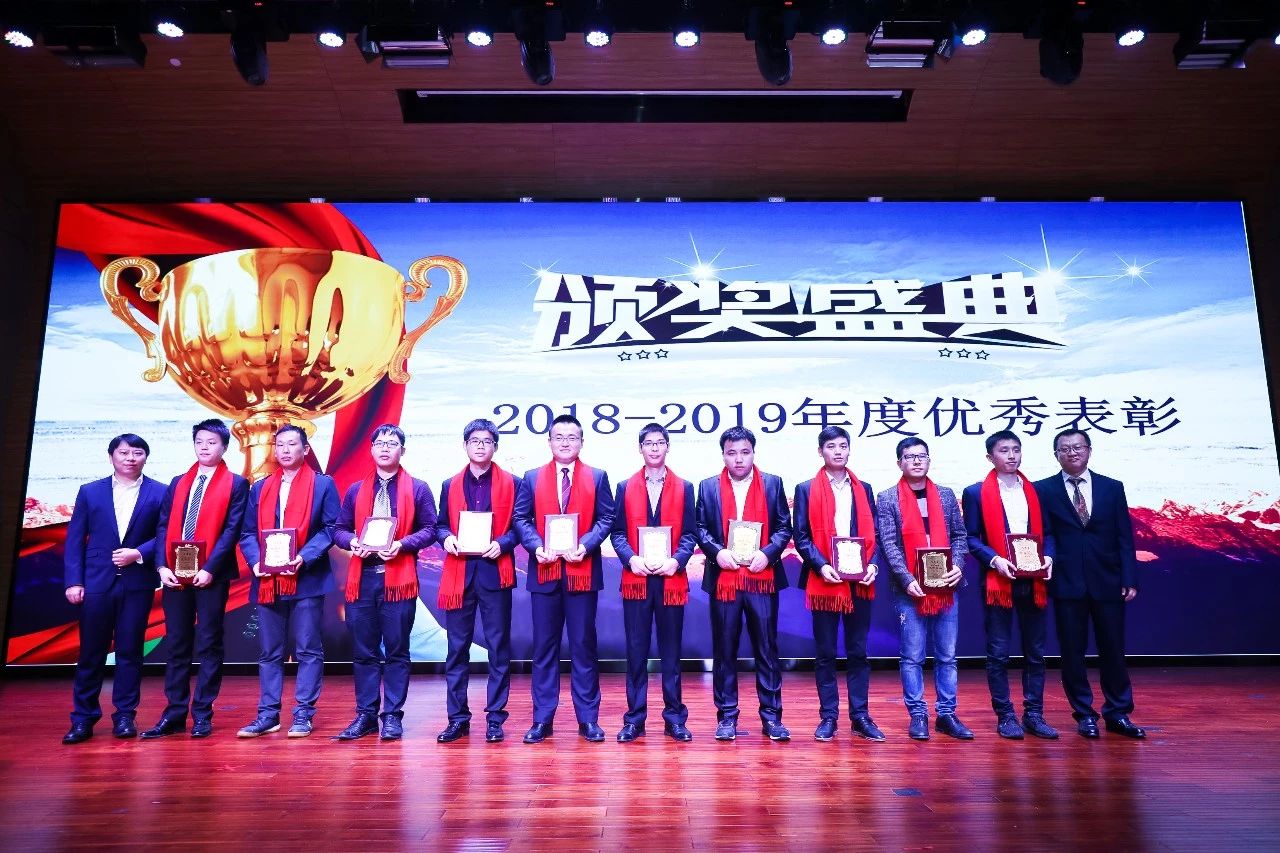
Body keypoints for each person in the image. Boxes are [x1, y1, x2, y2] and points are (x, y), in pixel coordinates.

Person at [142, 418, 249, 739]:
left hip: (210, 576)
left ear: (225, 447)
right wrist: (161, 566)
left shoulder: (236, 484)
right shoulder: (179, 482)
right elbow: (163, 525)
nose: (204, 447)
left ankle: (202, 713)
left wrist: (210, 568)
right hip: (175, 574)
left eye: (212, 442)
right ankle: (174, 713)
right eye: (199, 442)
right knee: (177, 643)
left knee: (209, 643)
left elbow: (232, 530)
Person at [1034, 429, 1145, 739]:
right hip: (1066, 581)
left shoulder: (1112, 487)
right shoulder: (1043, 489)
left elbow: (1124, 536)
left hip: (1108, 580)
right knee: (1072, 652)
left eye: (1078, 447)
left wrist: (1129, 577)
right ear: (1056, 455)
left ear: (1089, 450)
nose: (1072, 453)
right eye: (1065, 449)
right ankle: (1084, 714)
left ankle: (1118, 712)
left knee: (1113, 649)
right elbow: (1044, 534)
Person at [332, 424, 438, 741]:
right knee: (364, 651)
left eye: (392, 443)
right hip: (362, 579)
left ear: (402, 450)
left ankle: (392, 716)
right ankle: (365, 715)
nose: (385, 447)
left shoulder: (418, 488)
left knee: (396, 650)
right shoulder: (355, 490)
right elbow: (338, 530)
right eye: (379, 443)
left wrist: (402, 545)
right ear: (371, 449)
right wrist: (353, 542)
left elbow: (431, 529)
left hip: (398, 580)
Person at [513, 414, 614, 743]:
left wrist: (585, 545)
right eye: (559, 437)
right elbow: (520, 518)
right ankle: (542, 719)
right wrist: (536, 546)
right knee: (544, 647)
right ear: (550, 442)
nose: (566, 442)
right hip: (544, 573)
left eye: (572, 437)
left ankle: (588, 719)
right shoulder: (532, 477)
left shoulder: (597, 476)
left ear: (582, 442)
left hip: (581, 573)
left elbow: (606, 518)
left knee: (583, 646)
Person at [62, 434, 168, 744]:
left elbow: (165, 533)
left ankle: (124, 716)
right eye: (123, 453)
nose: (130, 458)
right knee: (91, 653)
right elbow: (75, 539)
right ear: (111, 457)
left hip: (137, 582)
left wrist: (139, 553)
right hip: (96, 581)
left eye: (137, 452)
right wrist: (74, 581)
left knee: (130, 652)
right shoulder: (90, 491)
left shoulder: (160, 492)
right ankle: (83, 719)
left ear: (145, 457)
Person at [236, 425, 340, 739]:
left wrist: (304, 557)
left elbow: (331, 528)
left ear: (305, 449)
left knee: (308, 648)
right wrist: (256, 562)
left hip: (306, 578)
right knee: (269, 651)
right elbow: (247, 533)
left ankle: (303, 714)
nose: (284, 450)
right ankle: (268, 715)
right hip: (268, 579)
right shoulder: (261, 487)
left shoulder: (323, 484)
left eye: (292, 444)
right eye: (279, 444)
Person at [695, 426, 793, 743]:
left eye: (744, 452)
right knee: (725, 651)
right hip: (724, 579)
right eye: (731, 453)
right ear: (723, 455)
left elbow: (784, 527)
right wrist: (717, 552)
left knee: (767, 650)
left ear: (753, 452)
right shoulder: (708, 487)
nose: (738, 459)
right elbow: (700, 528)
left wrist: (768, 553)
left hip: (761, 578)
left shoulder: (773, 483)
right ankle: (726, 717)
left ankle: (772, 718)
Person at [962, 430, 1059, 740]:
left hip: (1035, 580)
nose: (1012, 455)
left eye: (1016, 449)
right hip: (998, 581)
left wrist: (1049, 557)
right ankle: (1005, 716)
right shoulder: (975, 493)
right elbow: (971, 537)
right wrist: (994, 560)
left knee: (1036, 652)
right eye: (1004, 450)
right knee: (998, 653)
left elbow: (1050, 534)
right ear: (990, 457)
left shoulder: (1037, 491)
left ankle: (1034, 714)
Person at [792, 426, 885, 743]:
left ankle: (860, 716)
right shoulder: (805, 489)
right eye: (831, 446)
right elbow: (801, 537)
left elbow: (875, 535)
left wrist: (872, 565)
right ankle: (828, 716)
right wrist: (821, 566)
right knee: (825, 652)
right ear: (821, 451)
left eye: (843, 445)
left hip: (860, 581)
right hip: (825, 580)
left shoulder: (864, 488)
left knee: (859, 651)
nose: (838, 451)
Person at [875, 437, 971, 741]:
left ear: (929, 460)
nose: (916, 461)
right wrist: (907, 579)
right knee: (912, 656)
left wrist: (958, 565)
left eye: (921, 456)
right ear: (899, 463)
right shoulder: (887, 498)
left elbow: (959, 536)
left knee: (947, 656)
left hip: (946, 586)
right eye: (909, 456)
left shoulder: (945, 495)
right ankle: (918, 714)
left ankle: (947, 714)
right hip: (910, 588)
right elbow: (888, 544)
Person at [608, 422, 697, 743]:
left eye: (660, 443)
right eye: (649, 443)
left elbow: (690, 533)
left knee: (671, 653)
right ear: (640, 448)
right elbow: (617, 532)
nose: (655, 448)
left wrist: (677, 560)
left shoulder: (684, 487)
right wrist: (631, 558)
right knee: (636, 652)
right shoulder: (625, 486)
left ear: (668, 447)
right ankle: (635, 719)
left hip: (671, 580)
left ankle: (675, 718)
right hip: (637, 579)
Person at [434, 418, 520, 745]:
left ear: (495, 446)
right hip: (460, 575)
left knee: (498, 649)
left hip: (495, 573)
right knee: (457, 650)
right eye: (475, 441)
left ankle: (495, 718)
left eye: (486, 441)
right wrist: (447, 539)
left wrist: (503, 543)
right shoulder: (449, 484)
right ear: (465, 445)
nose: (480, 446)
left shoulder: (513, 483)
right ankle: (457, 719)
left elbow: (519, 525)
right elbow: (441, 524)